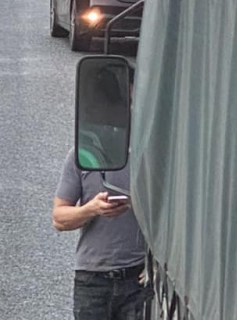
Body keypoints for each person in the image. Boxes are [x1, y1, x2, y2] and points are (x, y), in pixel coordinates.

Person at [53, 114, 148, 319]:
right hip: (92, 281)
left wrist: (154, 264)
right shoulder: (82, 156)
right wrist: (91, 209)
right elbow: (59, 218)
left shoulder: (147, 157)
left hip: (137, 280)